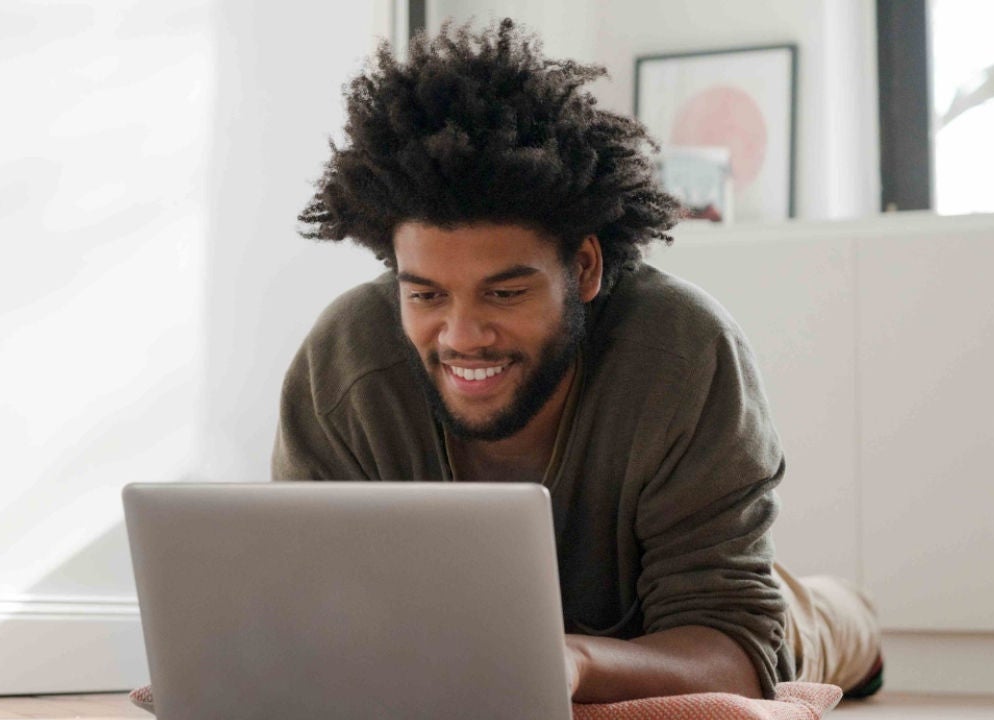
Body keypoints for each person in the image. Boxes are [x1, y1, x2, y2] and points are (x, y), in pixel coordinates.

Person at [274, 19, 882, 703]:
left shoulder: (683, 353)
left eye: (505, 292)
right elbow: (308, 616)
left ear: (585, 267)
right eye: (426, 295)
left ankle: (840, 609)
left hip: (663, 627)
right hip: (478, 643)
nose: (462, 335)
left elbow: (735, 651)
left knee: (807, 630)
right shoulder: (345, 366)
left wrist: (573, 664)